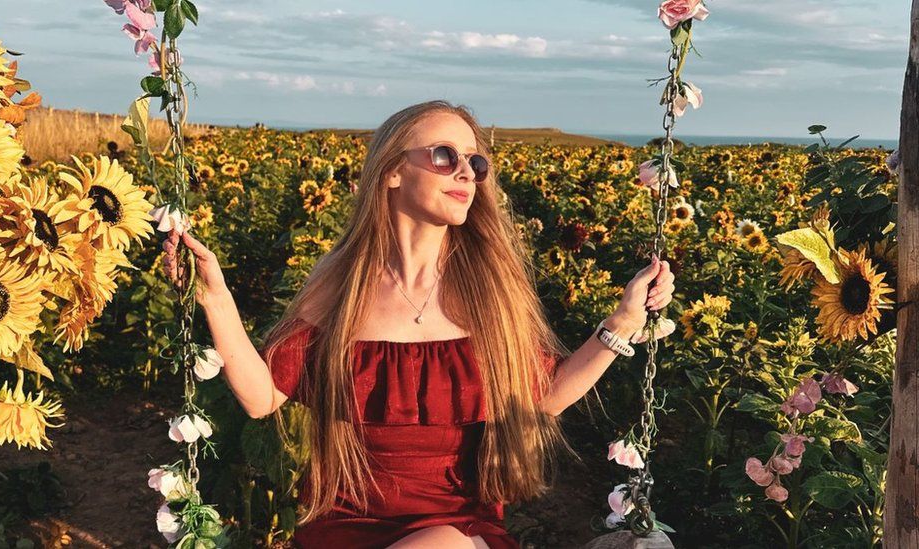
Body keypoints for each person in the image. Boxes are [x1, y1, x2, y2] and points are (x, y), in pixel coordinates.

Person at [160, 100, 675, 548]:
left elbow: (543, 395)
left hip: (458, 524)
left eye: (475, 161)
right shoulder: (344, 279)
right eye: (446, 155)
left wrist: (625, 319)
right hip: (348, 524)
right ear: (391, 171)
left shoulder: (488, 285)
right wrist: (217, 299)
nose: (467, 172)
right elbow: (263, 396)